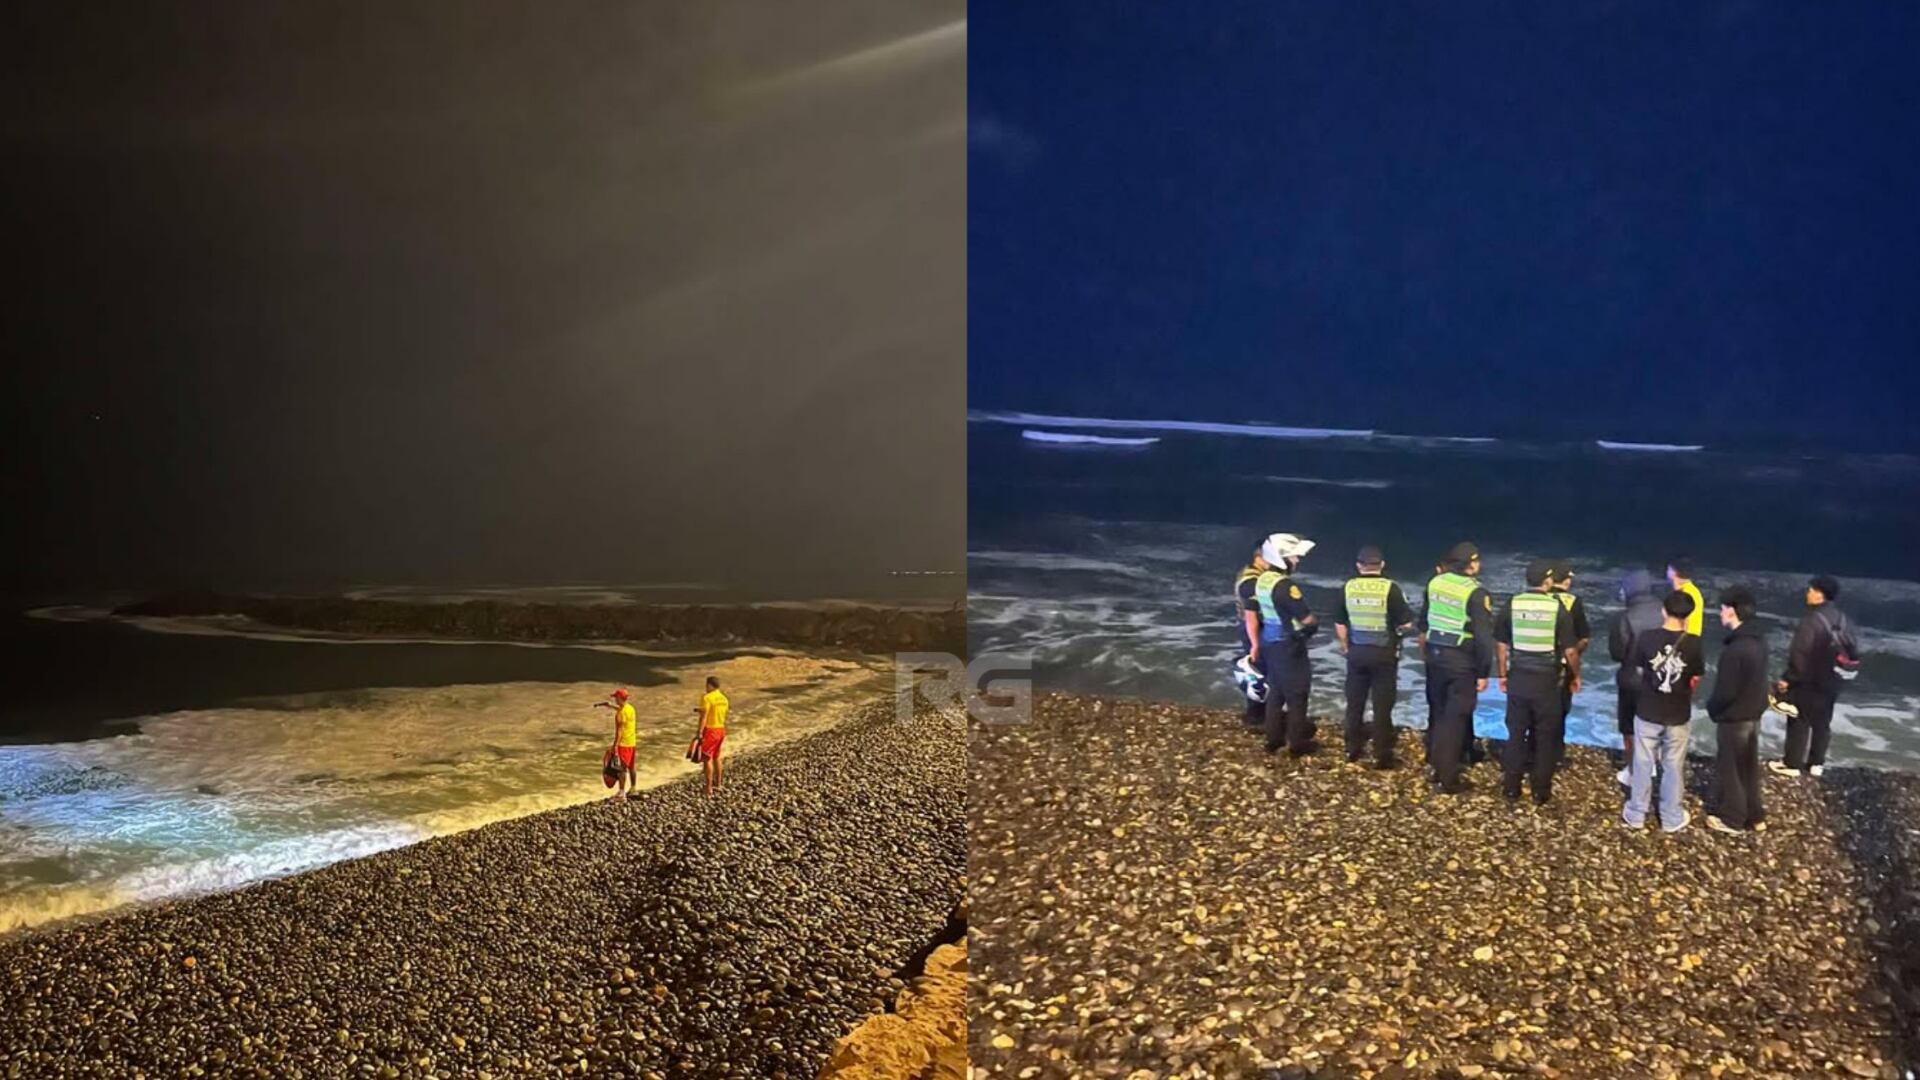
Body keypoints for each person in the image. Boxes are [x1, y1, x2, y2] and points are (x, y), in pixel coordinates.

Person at [1496, 560, 1580, 805]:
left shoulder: (1512, 604)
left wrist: (1502, 674)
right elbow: (1570, 651)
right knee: (1545, 736)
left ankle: (1511, 787)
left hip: (1519, 677)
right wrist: (1575, 676)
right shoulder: (1555, 608)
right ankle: (1540, 790)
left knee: (1515, 733)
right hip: (1546, 681)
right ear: (1547, 582)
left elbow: (1501, 644)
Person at [1622, 591, 1705, 833]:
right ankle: (1670, 817)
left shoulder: (1647, 638)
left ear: (1663, 611)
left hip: (1648, 708)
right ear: (1688, 615)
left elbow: (1638, 669)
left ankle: (1637, 813)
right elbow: (1696, 677)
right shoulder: (1694, 643)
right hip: (1678, 712)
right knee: (1673, 764)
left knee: (1643, 761)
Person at [1418, 542, 1495, 794]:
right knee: (1455, 718)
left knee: (1439, 713)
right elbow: (1484, 638)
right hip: (1461, 660)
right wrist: (1484, 672)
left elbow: (1425, 619)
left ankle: (1435, 765)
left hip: (1435, 654)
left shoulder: (1436, 582)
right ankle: (1448, 778)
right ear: (1471, 564)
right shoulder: (1476, 592)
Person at [1333, 544, 1415, 768]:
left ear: (1359, 566)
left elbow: (1340, 623)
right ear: (1382, 565)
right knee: (1382, 705)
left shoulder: (1347, 588)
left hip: (1357, 652)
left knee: (1355, 703)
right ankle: (1381, 753)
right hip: (1384, 654)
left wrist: (1346, 647)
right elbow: (1406, 623)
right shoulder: (1391, 589)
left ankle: (1352, 748)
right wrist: (1399, 632)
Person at [1241, 532, 1319, 757]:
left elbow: (1253, 612)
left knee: (1276, 692)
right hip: (1289, 645)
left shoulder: (1262, 580)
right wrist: (1313, 626)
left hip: (1270, 642)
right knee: (1297, 695)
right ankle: (1296, 745)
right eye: (1293, 557)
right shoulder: (1285, 586)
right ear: (1281, 559)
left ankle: (1273, 740)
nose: (1297, 561)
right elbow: (1306, 618)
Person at [1770, 575, 1854, 779]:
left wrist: (1788, 678)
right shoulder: (1844, 619)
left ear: (1819, 594)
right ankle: (1817, 764)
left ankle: (1792, 764)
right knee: (1823, 721)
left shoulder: (1812, 620)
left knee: (1799, 718)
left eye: (1810, 590)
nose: (1807, 593)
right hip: (1834, 679)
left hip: (1810, 680)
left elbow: (1800, 653)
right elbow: (1852, 649)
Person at [1705, 586, 1769, 833]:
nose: (1720, 614)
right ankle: (1755, 815)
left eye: (1722, 609)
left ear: (1732, 612)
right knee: (1748, 767)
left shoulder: (1735, 650)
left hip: (1735, 718)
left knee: (1730, 767)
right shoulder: (1759, 642)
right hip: (1754, 715)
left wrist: (1713, 709)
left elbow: (1726, 691)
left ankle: (1733, 817)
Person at [1606, 570, 1666, 786]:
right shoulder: (1666, 610)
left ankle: (1634, 772)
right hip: (1663, 677)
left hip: (1633, 678)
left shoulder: (1624, 617)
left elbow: (1617, 653)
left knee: (1629, 727)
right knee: (1655, 722)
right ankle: (1653, 764)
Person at [1547, 561, 1592, 770]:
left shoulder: (1536, 600)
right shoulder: (1573, 601)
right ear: (1566, 580)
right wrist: (1573, 659)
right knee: (1559, 711)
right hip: (1561, 665)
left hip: (1534, 663)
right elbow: (1583, 637)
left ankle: (1533, 749)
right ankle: (1554, 754)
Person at [1233, 542, 1273, 730]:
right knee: (1257, 671)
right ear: (1259, 558)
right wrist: (1255, 643)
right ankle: (1256, 715)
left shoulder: (1250, 573)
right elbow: (1252, 614)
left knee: (1260, 670)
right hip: (1252, 629)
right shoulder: (1250, 581)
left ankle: (1260, 712)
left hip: (1250, 627)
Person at [695, 676, 729, 797]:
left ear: (709, 685)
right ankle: (718, 784)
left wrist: (699, 732)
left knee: (706, 758)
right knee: (717, 757)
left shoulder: (707, 697)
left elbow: (704, 717)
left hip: (710, 730)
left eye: (706, 685)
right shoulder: (724, 699)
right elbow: (717, 712)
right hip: (721, 728)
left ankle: (708, 788)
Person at [606, 687, 638, 801]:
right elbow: (622, 710)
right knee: (632, 767)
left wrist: (615, 746)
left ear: (620, 698)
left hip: (623, 744)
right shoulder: (630, 708)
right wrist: (610, 706)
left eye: (616, 697)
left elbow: (619, 731)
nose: (615, 699)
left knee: (621, 769)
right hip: (632, 742)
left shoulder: (620, 714)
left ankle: (621, 793)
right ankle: (633, 788)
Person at [1666, 558, 1705, 639]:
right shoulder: (1691, 591)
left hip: (1684, 641)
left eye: (1668, 569)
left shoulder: (1686, 594)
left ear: (1673, 572)